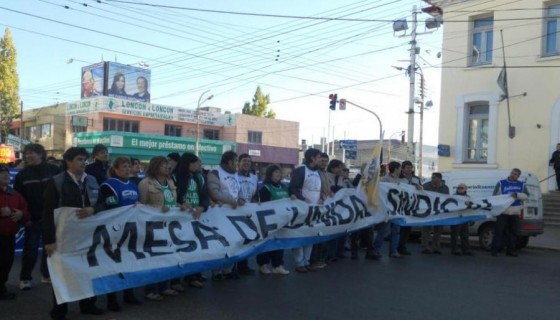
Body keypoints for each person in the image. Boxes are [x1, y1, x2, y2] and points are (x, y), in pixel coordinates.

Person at [43, 147, 105, 319]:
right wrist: (48, 240)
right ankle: (59, 309)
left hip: (88, 235)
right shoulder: (56, 181)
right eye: (79, 159)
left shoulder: (92, 180)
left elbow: (102, 205)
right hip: (64, 236)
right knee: (62, 272)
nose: (83, 162)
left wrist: (93, 209)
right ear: (68, 161)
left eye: (84, 159)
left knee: (88, 270)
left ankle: (87, 305)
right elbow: (47, 213)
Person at [13, 143, 61, 290]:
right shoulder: (22, 174)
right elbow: (18, 198)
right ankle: (25, 278)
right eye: (26, 154)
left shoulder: (54, 170)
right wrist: (25, 217)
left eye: (31, 153)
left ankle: (46, 275)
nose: (28, 156)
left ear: (41, 154)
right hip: (33, 218)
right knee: (30, 249)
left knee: (51, 248)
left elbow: (62, 191)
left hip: (53, 217)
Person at [99, 157, 142, 311]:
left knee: (129, 262)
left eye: (129, 166)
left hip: (130, 229)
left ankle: (128, 294)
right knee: (113, 264)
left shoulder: (133, 184)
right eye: (124, 166)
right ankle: (112, 299)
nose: (127, 169)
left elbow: (139, 203)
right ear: (115, 169)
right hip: (114, 230)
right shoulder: (108, 184)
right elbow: (110, 205)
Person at [138, 156, 179, 300]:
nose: (167, 167)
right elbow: (140, 206)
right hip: (153, 226)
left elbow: (172, 202)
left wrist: (181, 206)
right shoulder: (145, 183)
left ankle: (165, 286)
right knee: (154, 258)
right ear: (155, 167)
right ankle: (151, 289)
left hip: (169, 225)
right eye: (164, 165)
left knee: (168, 256)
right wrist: (158, 208)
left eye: (168, 165)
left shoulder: (170, 182)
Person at [174, 152, 209, 289]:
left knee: (196, 247)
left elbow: (205, 195)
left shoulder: (199, 178)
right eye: (193, 163)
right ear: (186, 163)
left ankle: (193, 276)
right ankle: (175, 280)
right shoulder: (176, 177)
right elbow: (173, 196)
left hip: (196, 217)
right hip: (180, 218)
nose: (196, 165)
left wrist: (202, 206)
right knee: (179, 248)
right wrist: (181, 204)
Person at [207, 151, 241, 280]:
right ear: (229, 161)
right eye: (235, 161)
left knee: (234, 242)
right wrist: (230, 201)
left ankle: (228, 269)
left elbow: (238, 190)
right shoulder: (215, 172)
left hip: (234, 213)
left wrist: (241, 198)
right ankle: (217, 272)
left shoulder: (236, 174)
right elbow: (214, 192)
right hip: (220, 213)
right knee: (219, 242)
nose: (237, 163)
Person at [289, 148, 323, 273]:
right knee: (300, 234)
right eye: (319, 157)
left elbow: (319, 190)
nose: (320, 160)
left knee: (311, 235)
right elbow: (293, 188)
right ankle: (299, 262)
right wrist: (303, 199)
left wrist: (321, 198)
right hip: (302, 209)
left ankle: (307, 261)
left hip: (315, 210)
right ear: (312, 158)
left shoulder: (318, 172)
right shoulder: (301, 169)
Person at [256, 164, 292, 275]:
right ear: (270, 174)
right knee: (266, 242)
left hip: (281, 220)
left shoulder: (285, 187)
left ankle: (278, 265)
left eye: (279, 172)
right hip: (268, 221)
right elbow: (263, 205)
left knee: (279, 242)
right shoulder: (265, 187)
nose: (279, 174)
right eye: (276, 172)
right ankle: (263, 265)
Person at [0, 165, 29, 300]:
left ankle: (1, 288)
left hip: (9, 236)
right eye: (1, 173)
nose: (6, 175)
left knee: (6, 263)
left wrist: (21, 214)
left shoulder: (15, 194)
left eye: (6, 173)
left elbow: (25, 210)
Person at [491, 168, 529, 257]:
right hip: (503, 211)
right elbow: (494, 196)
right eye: (512, 173)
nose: (513, 175)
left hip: (515, 212)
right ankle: (495, 250)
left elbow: (527, 196)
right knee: (498, 232)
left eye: (515, 174)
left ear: (518, 176)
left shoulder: (522, 185)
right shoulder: (501, 183)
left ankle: (510, 251)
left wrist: (517, 195)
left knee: (513, 233)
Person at [235, 154, 258, 275]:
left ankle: (243, 266)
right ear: (238, 162)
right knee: (235, 240)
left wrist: (255, 203)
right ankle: (231, 267)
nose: (247, 163)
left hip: (249, 213)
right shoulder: (233, 176)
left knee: (247, 240)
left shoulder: (254, 178)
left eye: (249, 161)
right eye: (244, 160)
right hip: (234, 212)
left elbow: (255, 195)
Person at [375, 161, 403, 258]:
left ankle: (393, 250)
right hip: (386, 210)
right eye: (400, 168)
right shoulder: (384, 180)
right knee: (384, 230)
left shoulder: (400, 181)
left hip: (396, 210)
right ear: (396, 169)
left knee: (396, 230)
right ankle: (376, 249)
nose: (401, 170)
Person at [397, 160, 422, 256]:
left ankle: (403, 246)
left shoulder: (416, 179)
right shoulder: (399, 178)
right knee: (399, 228)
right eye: (407, 167)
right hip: (401, 206)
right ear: (402, 169)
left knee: (408, 228)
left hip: (412, 206)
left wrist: (420, 187)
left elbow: (422, 191)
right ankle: (397, 247)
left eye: (410, 167)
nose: (409, 169)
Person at [421, 172, 449, 254]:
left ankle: (436, 247)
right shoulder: (426, 186)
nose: (432, 179)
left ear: (439, 179)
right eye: (432, 177)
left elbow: (447, 199)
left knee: (438, 230)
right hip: (428, 211)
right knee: (426, 229)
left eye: (434, 178)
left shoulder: (445, 188)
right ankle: (425, 246)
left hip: (439, 211)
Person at [450, 183, 473, 256]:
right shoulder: (453, 197)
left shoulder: (468, 198)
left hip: (464, 218)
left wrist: (469, 204)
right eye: (458, 188)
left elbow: (471, 208)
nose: (459, 189)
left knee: (465, 235)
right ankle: (454, 249)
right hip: (456, 218)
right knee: (455, 235)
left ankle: (466, 249)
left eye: (461, 188)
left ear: (466, 189)